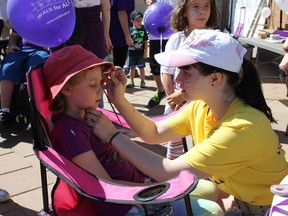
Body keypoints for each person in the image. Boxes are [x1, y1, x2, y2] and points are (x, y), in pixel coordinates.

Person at [85, 30, 288, 215]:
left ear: (215, 79)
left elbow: (167, 172)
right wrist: (119, 99)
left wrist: (112, 135)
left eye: (186, 72)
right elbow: (154, 132)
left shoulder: (242, 127)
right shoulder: (202, 106)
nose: (177, 79)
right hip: (241, 199)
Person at [45, 44, 224, 216]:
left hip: (139, 185)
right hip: (124, 203)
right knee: (211, 211)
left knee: (210, 188)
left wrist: (118, 97)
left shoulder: (89, 116)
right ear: (66, 88)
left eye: (100, 82)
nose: (101, 90)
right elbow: (103, 184)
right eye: (92, 85)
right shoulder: (70, 133)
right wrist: (156, 189)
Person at [162, 0, 220, 159]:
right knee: (174, 147)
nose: (202, 11)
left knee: (204, 147)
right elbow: (166, 72)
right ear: (184, 11)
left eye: (206, 6)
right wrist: (174, 98)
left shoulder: (217, 39)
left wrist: (185, 94)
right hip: (178, 104)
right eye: (196, 6)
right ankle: (174, 179)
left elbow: (216, 76)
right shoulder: (176, 40)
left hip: (206, 104)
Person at [0, 31, 49, 128]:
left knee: (35, 69)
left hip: (42, 50)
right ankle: (4, 112)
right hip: (21, 50)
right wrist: (12, 44)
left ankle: (37, 114)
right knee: (7, 69)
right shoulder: (23, 16)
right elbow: (15, 34)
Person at [145, 0, 176, 108]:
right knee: (154, 64)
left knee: (173, 65)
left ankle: (174, 94)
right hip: (155, 31)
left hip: (174, 31)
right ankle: (160, 90)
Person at [126, 10, 148, 89]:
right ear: (132, 20)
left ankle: (142, 81)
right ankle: (131, 81)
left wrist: (146, 52)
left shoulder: (143, 29)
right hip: (131, 53)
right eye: (137, 21)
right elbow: (127, 41)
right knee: (132, 68)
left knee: (141, 67)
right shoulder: (129, 30)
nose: (139, 22)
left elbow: (145, 41)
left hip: (140, 53)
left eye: (141, 20)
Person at [109, 0, 135, 68]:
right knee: (118, 67)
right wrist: (127, 36)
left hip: (110, 32)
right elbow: (121, 12)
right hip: (119, 34)